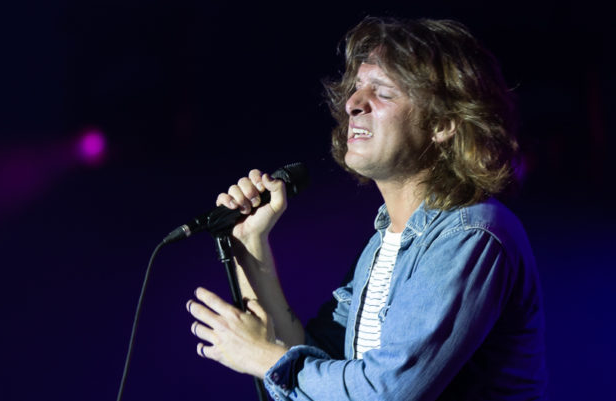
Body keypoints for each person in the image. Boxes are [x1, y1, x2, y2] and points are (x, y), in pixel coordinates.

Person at [185, 17, 547, 400]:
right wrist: (250, 244)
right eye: (357, 88)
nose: (353, 103)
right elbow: (315, 365)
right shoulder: (384, 244)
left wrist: (262, 357)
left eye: (383, 92)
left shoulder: (471, 235)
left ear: (442, 123)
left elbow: (384, 391)